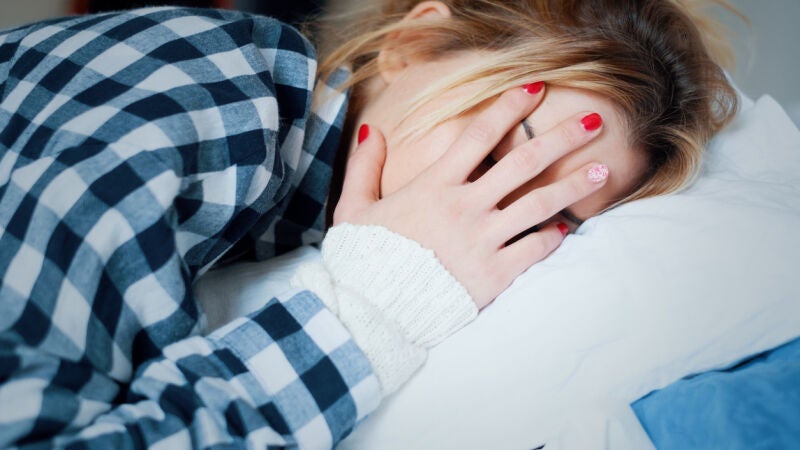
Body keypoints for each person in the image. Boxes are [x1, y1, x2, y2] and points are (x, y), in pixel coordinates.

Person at [0, 0, 737, 448]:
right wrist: (371, 310)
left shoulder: (289, 207)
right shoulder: (213, 100)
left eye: (550, 212)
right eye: (501, 149)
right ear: (413, 44)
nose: (486, 207)